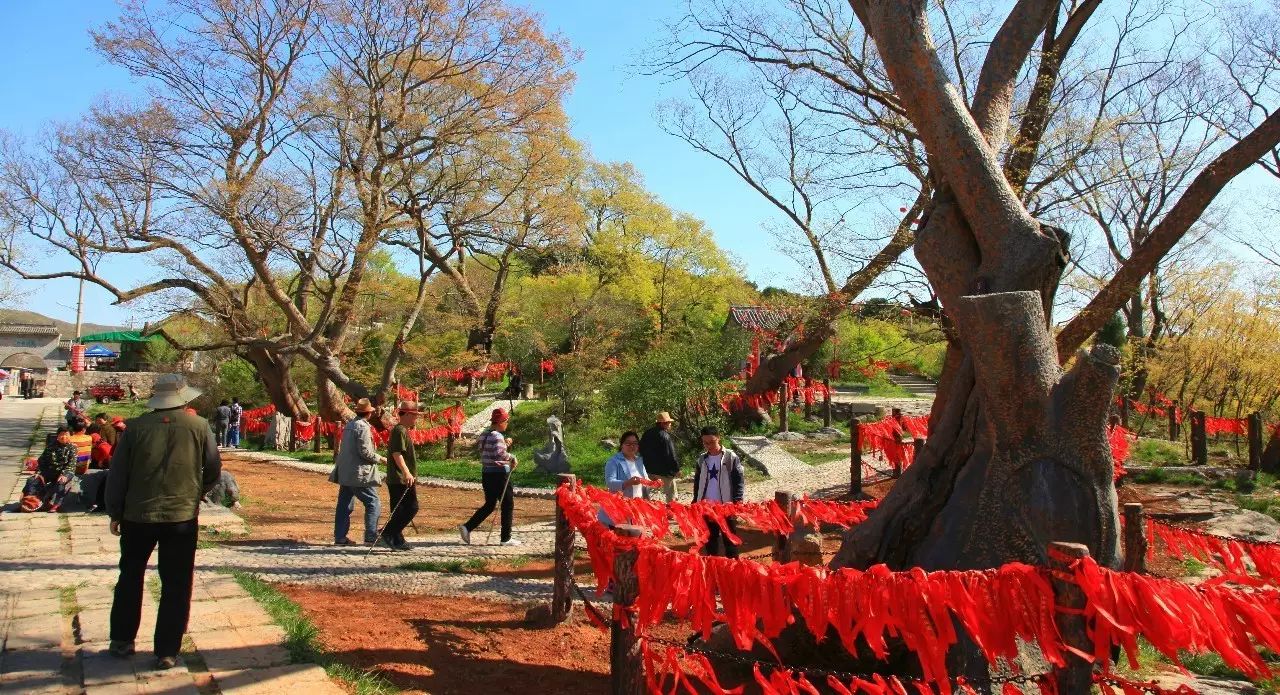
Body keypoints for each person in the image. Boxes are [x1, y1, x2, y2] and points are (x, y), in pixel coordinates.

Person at [105, 373, 221, 669]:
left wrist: (115, 511)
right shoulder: (199, 426)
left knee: (130, 575)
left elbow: (117, 474)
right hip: (181, 515)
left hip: (137, 515)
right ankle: (167, 650)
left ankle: (121, 640)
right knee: (177, 582)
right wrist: (195, 493)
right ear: (182, 397)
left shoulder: (135, 428)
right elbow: (212, 470)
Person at [460, 408, 520, 546]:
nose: (507, 424)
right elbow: (500, 454)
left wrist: (504, 443)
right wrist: (512, 457)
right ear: (500, 422)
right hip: (499, 475)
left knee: (490, 504)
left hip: (487, 473)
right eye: (506, 421)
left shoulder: (484, 434)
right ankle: (506, 538)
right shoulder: (497, 436)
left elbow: (488, 450)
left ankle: (467, 527)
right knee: (507, 504)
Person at [330, 398, 385, 546]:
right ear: (369, 413)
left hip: (345, 471)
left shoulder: (349, 425)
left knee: (344, 504)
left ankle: (340, 537)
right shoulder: (362, 427)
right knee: (373, 502)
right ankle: (371, 536)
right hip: (358, 472)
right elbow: (365, 452)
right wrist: (381, 459)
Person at [691, 426, 746, 558]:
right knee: (710, 540)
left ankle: (733, 568)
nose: (708, 445)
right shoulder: (701, 459)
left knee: (730, 540)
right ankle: (713, 567)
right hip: (707, 507)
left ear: (718, 438)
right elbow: (697, 482)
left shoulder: (730, 457)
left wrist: (737, 501)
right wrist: (695, 501)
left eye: (711, 442)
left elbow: (738, 480)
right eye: (705, 443)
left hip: (726, 506)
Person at [380, 402, 421, 551]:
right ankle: (387, 533)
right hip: (400, 478)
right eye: (415, 416)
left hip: (399, 477)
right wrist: (406, 472)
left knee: (398, 511)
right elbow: (396, 453)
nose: (416, 419)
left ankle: (397, 539)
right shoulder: (400, 430)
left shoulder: (401, 430)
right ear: (408, 414)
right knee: (412, 507)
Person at [21, 426, 77, 512]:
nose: (64, 437)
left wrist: (64, 474)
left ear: (70, 436)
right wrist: (39, 472)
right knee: (32, 480)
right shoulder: (50, 447)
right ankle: (30, 500)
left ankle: (56, 504)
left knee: (61, 482)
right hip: (50, 471)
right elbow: (42, 461)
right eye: (61, 434)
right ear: (57, 436)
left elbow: (71, 464)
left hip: (66, 471)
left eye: (66, 434)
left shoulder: (73, 448)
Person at [599, 431, 650, 527]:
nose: (632, 446)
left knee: (635, 538)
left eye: (635, 443)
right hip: (618, 509)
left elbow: (645, 480)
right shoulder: (613, 461)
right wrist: (628, 482)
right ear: (622, 445)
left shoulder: (639, 461)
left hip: (635, 508)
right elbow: (610, 482)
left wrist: (653, 483)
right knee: (617, 538)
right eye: (628, 443)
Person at [639, 412, 680, 504]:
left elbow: (640, 449)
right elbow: (671, 454)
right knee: (671, 494)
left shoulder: (647, 433)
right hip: (664, 472)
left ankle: (645, 512)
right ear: (663, 423)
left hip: (648, 469)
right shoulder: (665, 436)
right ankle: (671, 513)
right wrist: (676, 469)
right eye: (668, 422)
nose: (670, 424)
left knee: (646, 494)